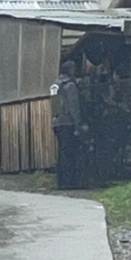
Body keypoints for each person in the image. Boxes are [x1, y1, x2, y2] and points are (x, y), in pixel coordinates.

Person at [51, 60, 83, 190]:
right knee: (69, 153)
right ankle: (69, 182)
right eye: (73, 69)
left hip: (56, 122)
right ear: (70, 70)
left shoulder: (55, 85)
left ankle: (60, 181)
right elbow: (73, 106)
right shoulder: (70, 86)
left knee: (61, 152)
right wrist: (78, 124)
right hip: (67, 122)